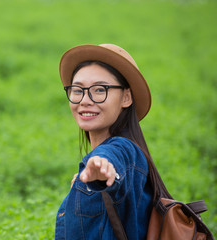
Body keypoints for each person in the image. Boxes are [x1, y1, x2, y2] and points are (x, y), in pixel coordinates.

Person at [55, 44, 172, 240]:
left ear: (126, 97)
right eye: (77, 90)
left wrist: (104, 166)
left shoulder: (123, 149)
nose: (85, 100)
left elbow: (114, 157)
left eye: (100, 90)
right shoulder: (93, 170)